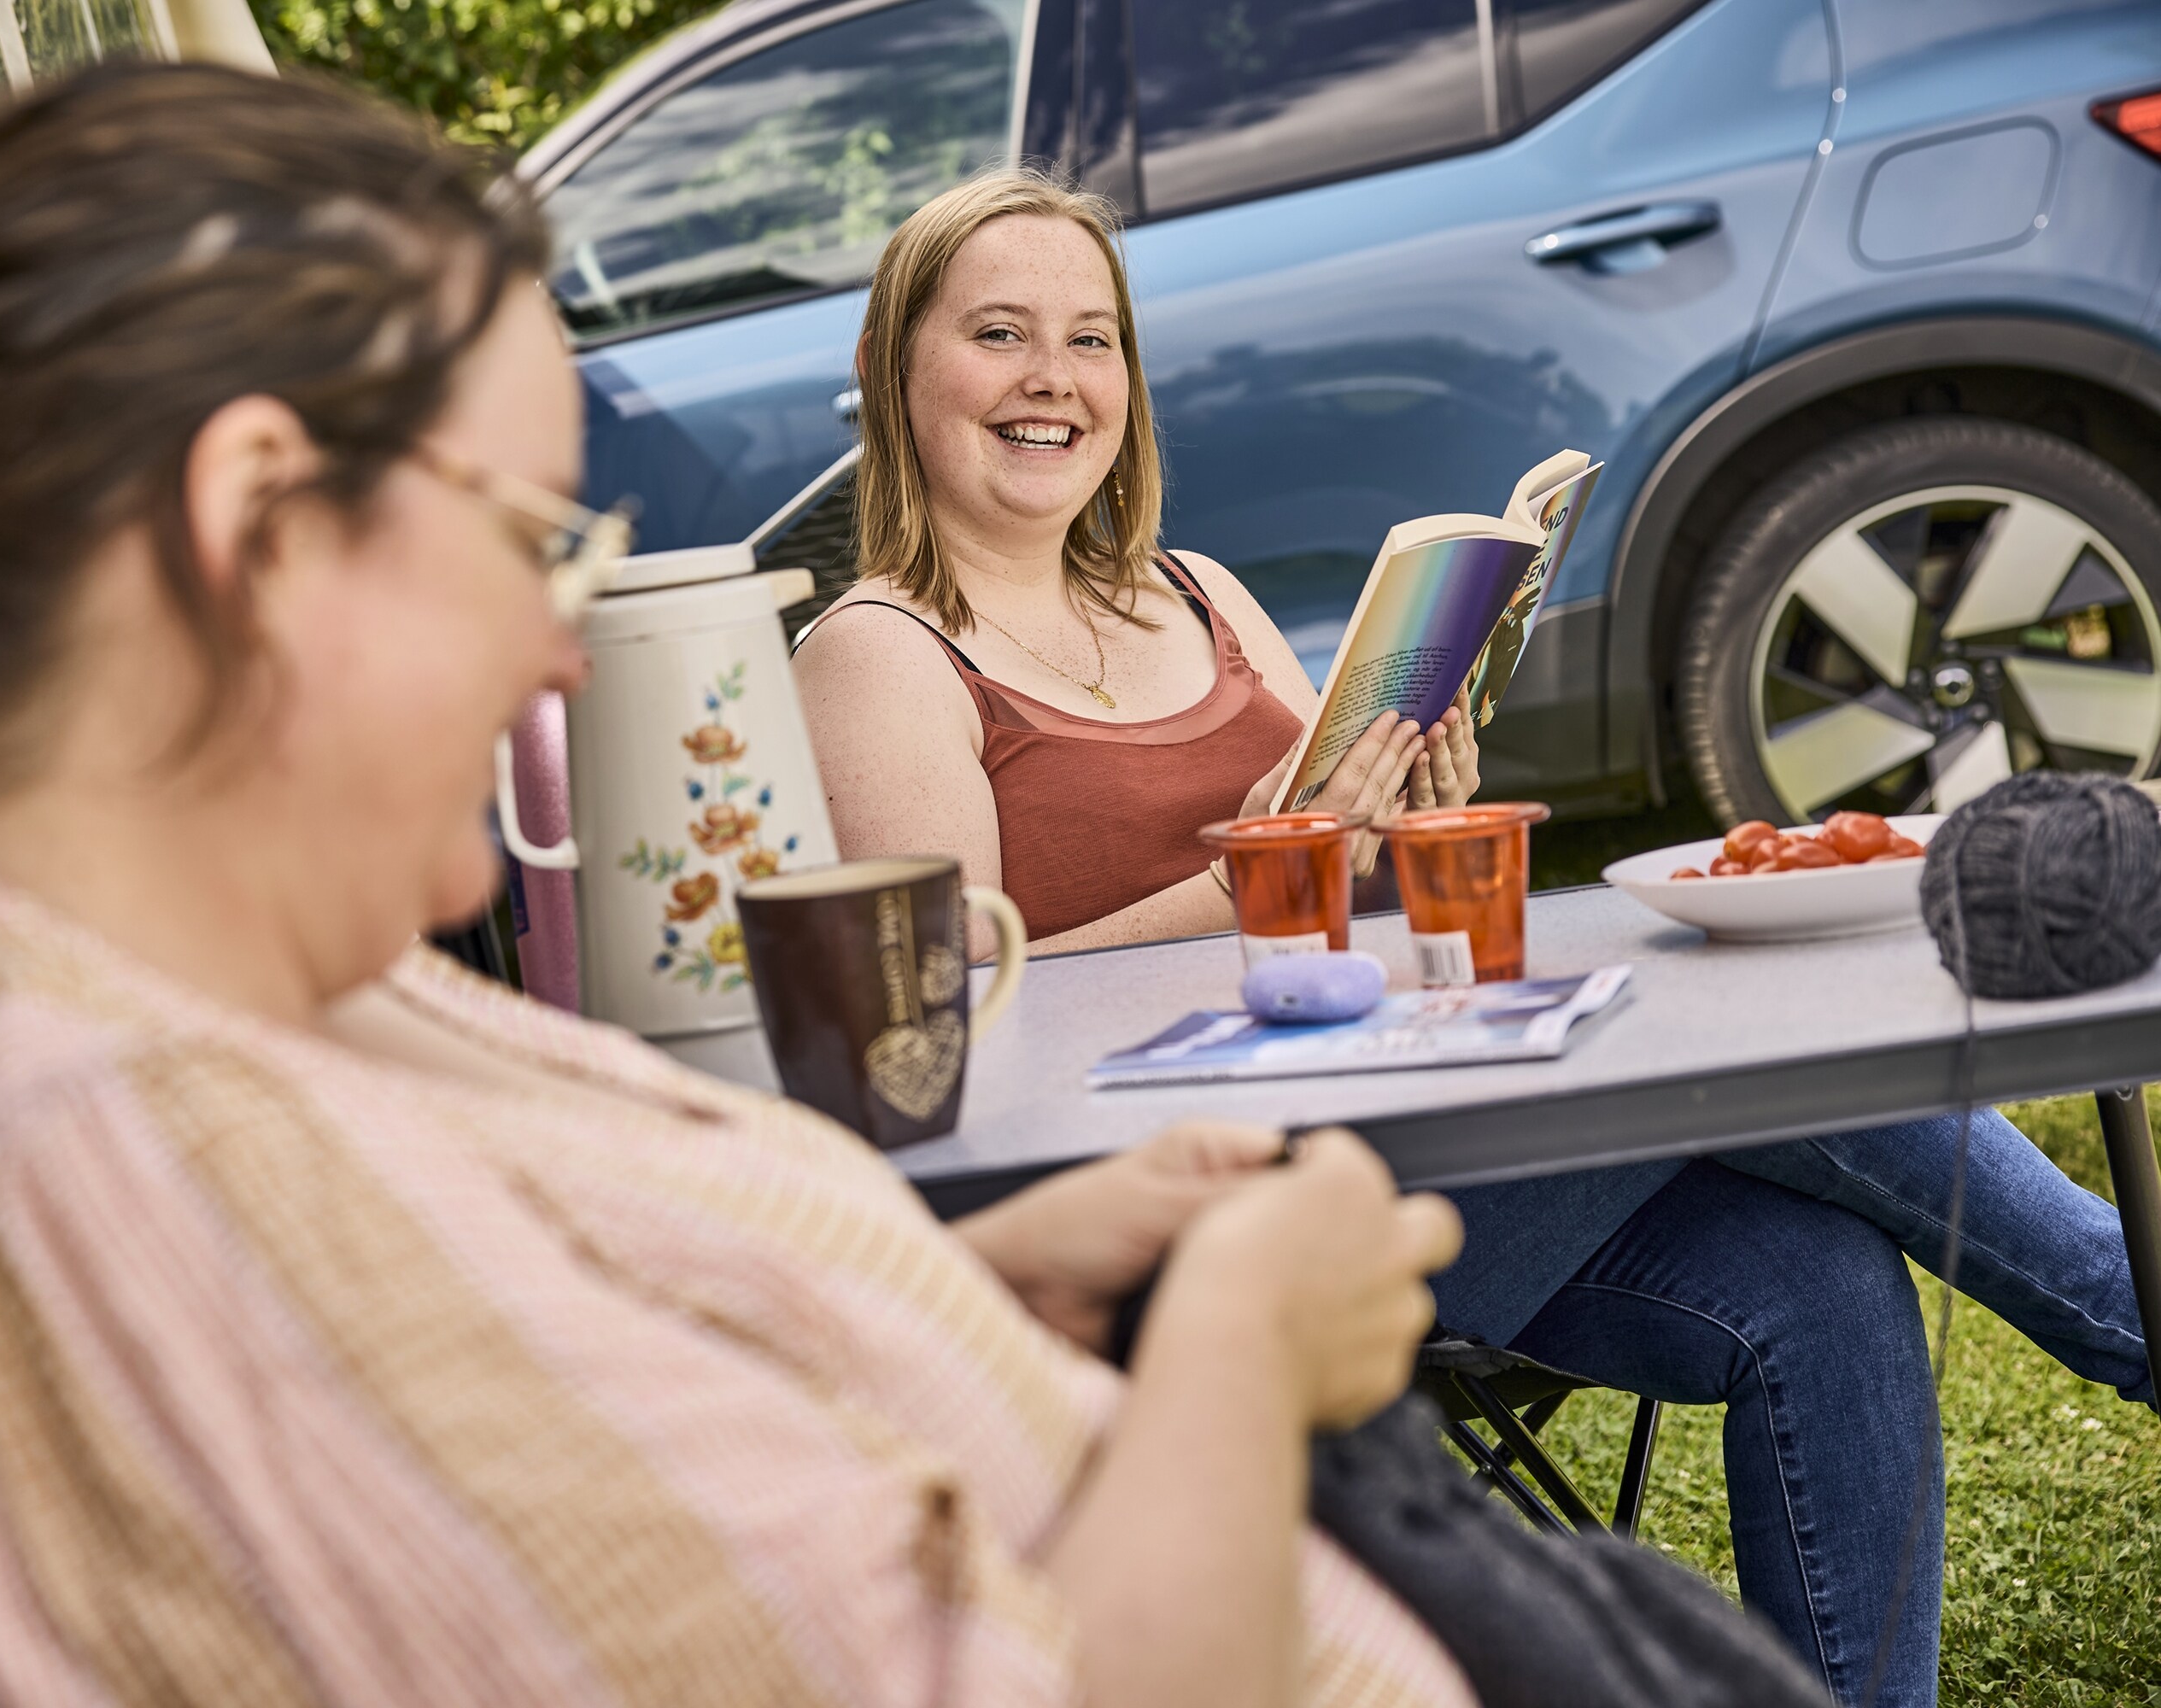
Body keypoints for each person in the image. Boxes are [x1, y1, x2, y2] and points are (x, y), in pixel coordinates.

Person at [0, 66, 1482, 1708]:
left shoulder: (141, 977)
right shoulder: (139, 1168)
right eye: (531, 538)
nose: (559, 651)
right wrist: (1243, 1347)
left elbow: (541, 1437)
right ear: (260, 528)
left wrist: (973, 1287)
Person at [793, 167, 2156, 1708]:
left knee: (1824, 1280)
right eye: (999, 333)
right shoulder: (881, 654)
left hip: (1421, 1113)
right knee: (1752, 1045)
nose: (1054, 379)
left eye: (1091, 340)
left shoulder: (1203, 594)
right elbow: (944, 1007)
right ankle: (2132, 1308)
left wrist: (1417, 794)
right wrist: (1256, 878)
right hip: (1217, 1206)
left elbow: (1341, 854)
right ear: (900, 373)